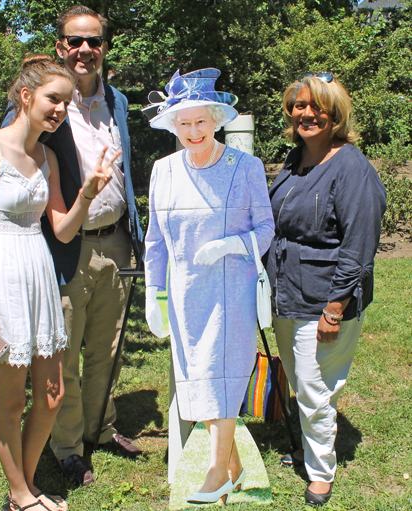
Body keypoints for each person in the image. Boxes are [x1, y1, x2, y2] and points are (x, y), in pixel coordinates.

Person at [0, 5, 143, 487]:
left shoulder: (117, 101)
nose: (85, 49)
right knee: (63, 354)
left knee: (105, 347)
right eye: (75, 41)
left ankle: (100, 429)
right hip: (61, 250)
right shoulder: (41, 98)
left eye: (94, 41)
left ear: (104, 46)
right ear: (61, 45)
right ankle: (67, 448)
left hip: (116, 240)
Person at [143, 69, 275, 505]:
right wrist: (153, 293)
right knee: (197, 378)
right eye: (184, 123)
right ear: (172, 126)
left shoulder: (246, 167)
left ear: (217, 120)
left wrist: (230, 245)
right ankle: (234, 467)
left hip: (231, 291)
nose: (193, 131)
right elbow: (156, 241)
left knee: (222, 377)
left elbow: (266, 229)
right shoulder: (162, 171)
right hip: (184, 295)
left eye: (201, 121)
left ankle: (217, 472)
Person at [265, 72, 387, 507]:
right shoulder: (294, 159)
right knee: (303, 382)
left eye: (318, 107)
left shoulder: (352, 168)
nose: (307, 113)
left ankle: (320, 472)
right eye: (299, 105)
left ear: (336, 115)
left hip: (324, 297)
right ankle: (312, 445)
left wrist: (335, 308)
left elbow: (358, 247)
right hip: (287, 293)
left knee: (316, 388)